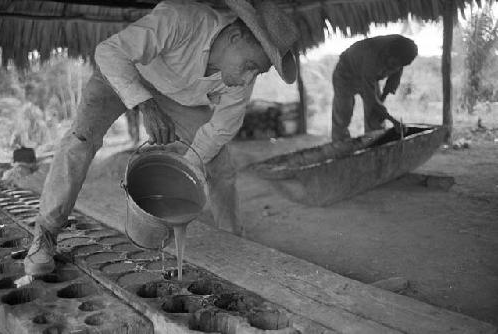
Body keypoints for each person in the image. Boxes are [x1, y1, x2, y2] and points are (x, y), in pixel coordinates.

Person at [23, 0, 300, 276]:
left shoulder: (239, 79)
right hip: (122, 75)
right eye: (249, 65)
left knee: (220, 166)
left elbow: (220, 129)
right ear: (235, 37)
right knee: (79, 141)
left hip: (177, 98)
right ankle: (45, 234)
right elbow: (109, 52)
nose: (247, 78)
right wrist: (146, 104)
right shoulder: (181, 19)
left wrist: (185, 169)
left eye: (257, 72)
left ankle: (233, 241)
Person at [331, 34, 418, 142]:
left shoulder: (402, 54)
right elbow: (370, 97)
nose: (393, 68)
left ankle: (374, 143)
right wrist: (392, 120)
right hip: (345, 75)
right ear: (387, 53)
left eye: (398, 66)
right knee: (343, 114)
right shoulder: (371, 54)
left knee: (375, 119)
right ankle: (340, 146)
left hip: (370, 78)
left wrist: (381, 102)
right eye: (393, 64)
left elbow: (392, 80)